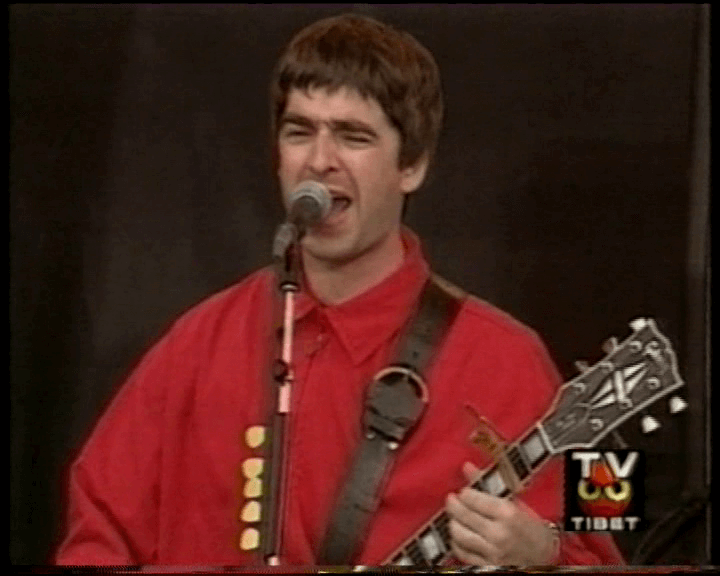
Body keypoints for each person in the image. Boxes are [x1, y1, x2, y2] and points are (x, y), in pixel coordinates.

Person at [55, 13, 625, 567]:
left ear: (414, 165)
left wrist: (546, 553)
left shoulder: (514, 357)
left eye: (353, 136)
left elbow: (620, 552)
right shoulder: (194, 343)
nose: (319, 161)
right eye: (299, 131)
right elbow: (94, 541)